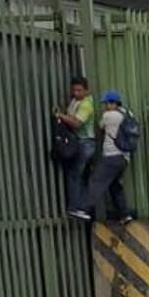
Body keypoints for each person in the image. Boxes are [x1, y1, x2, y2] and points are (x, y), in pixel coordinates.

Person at [70, 91, 132, 223]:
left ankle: (83, 209)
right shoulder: (127, 114)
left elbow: (100, 127)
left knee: (96, 182)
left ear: (113, 103)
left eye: (106, 103)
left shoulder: (109, 115)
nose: (105, 106)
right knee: (115, 185)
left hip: (111, 156)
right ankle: (125, 214)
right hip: (124, 158)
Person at [60, 76, 95, 214]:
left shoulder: (86, 104)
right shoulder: (76, 101)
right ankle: (84, 208)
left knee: (75, 175)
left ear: (86, 90)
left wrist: (60, 116)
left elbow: (76, 123)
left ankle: (76, 207)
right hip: (80, 142)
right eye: (74, 90)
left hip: (85, 143)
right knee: (82, 176)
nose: (76, 93)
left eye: (79, 90)